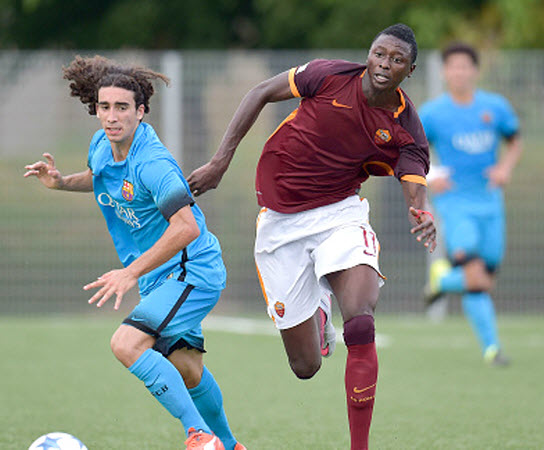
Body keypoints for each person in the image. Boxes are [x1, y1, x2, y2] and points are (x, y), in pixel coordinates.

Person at [187, 24, 436, 450]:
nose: (384, 64)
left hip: (340, 214)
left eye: (397, 60)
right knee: (305, 366)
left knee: (360, 320)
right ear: (369, 53)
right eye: (379, 53)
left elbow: (414, 182)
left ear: (409, 71)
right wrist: (219, 162)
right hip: (279, 224)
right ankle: (319, 309)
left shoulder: (405, 127)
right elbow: (260, 92)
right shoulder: (328, 75)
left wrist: (422, 210)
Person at [24, 55, 245, 450]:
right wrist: (61, 182)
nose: (112, 117)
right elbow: (99, 177)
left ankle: (198, 435)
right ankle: (229, 446)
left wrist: (129, 273)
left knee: (126, 344)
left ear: (141, 111)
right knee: (187, 370)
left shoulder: (154, 164)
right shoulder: (101, 144)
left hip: (192, 270)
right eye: (105, 107)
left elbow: (187, 227)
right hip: (159, 275)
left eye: (122, 107)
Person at [419, 42, 523, 366]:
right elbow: (409, 150)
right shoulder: (433, 113)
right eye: (453, 67)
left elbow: (515, 140)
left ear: (475, 71)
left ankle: (488, 347)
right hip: (455, 204)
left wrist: (505, 169)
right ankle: (493, 347)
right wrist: (431, 175)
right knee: (475, 275)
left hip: (490, 203)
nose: (459, 72)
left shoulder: (495, 107)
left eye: (465, 66)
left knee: (483, 279)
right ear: (444, 72)